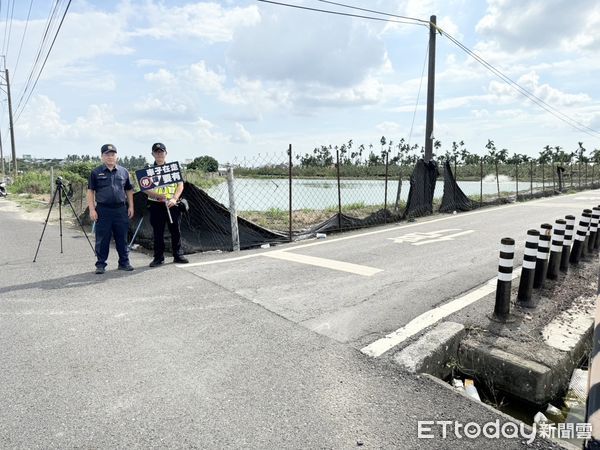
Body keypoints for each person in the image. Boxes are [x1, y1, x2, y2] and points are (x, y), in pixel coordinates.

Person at [87, 144, 135, 274]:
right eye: (107, 154)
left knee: (122, 237)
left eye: (112, 154)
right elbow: (90, 191)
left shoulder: (124, 172)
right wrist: (92, 209)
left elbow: (129, 190)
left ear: (116, 156)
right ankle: (101, 264)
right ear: (102, 157)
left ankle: (124, 263)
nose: (110, 157)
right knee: (102, 238)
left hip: (120, 209)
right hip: (103, 210)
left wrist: (131, 206)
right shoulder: (95, 172)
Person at [145, 142, 189, 267]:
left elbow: (180, 185)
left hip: (172, 204)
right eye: (156, 152)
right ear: (153, 154)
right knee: (158, 232)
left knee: (176, 230)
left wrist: (175, 199)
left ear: (166, 153)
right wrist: (158, 196)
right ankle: (158, 257)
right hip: (156, 204)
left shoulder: (173, 168)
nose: (159, 154)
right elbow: (145, 189)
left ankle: (178, 255)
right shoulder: (148, 170)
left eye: (161, 151)